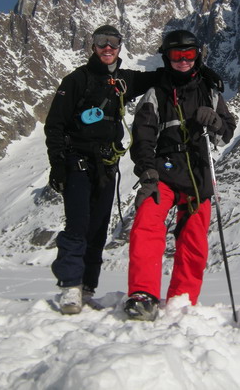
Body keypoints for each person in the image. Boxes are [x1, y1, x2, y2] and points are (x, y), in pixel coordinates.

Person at [44, 25, 162, 315]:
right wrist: (58, 166)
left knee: (97, 229)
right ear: (93, 46)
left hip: (107, 166)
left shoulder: (124, 80)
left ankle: (86, 289)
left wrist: (194, 68)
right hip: (78, 163)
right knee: (77, 225)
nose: (107, 48)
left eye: (113, 42)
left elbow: (159, 78)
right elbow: (55, 125)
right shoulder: (76, 80)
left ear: (120, 47)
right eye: (101, 42)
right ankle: (70, 286)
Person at [124, 29, 236, 321]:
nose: (183, 61)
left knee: (194, 238)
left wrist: (215, 122)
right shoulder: (157, 93)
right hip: (163, 171)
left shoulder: (210, 91)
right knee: (147, 223)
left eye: (189, 55)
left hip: (198, 176)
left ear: (198, 56)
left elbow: (226, 135)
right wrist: (147, 171)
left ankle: (182, 300)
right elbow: (143, 136)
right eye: (177, 55)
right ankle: (143, 294)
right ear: (167, 58)